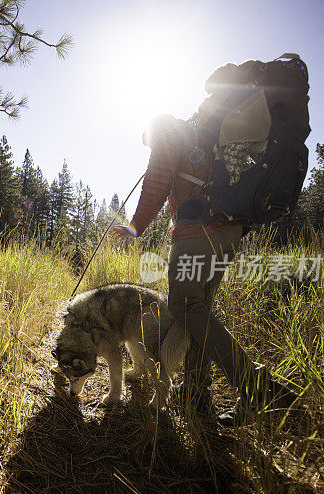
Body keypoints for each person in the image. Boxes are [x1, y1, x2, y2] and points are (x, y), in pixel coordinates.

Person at [110, 114, 297, 426]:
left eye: (149, 143)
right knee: (198, 311)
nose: (152, 147)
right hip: (229, 232)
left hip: (197, 233)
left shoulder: (168, 136)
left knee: (183, 305)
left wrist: (135, 227)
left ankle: (256, 386)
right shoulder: (205, 138)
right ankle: (196, 391)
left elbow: (155, 184)